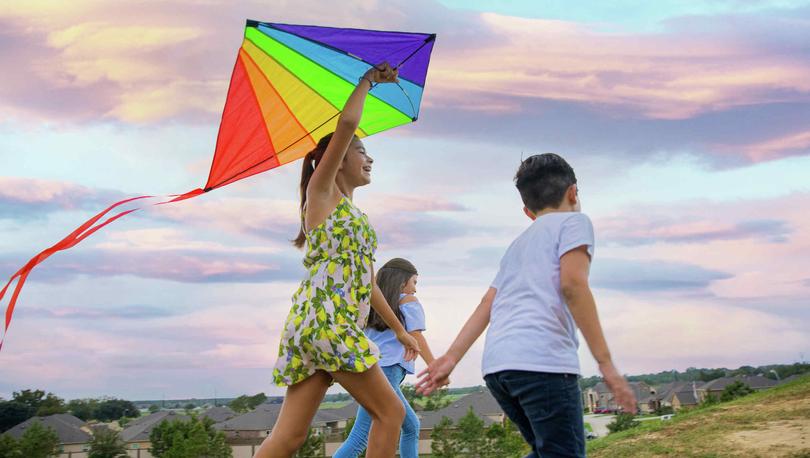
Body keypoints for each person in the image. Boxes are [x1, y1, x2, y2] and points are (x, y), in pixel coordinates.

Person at [416, 153, 637, 457]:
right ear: (573, 193)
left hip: (498, 368)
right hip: (542, 362)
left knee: (545, 450)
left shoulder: (517, 246)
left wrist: (452, 357)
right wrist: (606, 364)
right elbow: (573, 285)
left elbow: (487, 303)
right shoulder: (575, 222)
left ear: (527, 211)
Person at [255, 63, 420, 458]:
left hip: (314, 325)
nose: (370, 158)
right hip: (330, 324)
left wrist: (398, 330)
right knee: (391, 413)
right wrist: (368, 81)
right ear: (338, 157)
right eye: (362, 150)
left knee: (289, 438)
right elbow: (346, 123)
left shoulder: (353, 215)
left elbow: (366, 282)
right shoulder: (322, 193)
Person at [335, 258, 435, 458]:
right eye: (414, 282)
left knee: (411, 426)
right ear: (401, 282)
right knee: (360, 435)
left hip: (372, 369)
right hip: (387, 372)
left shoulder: (374, 306)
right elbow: (416, 335)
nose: (415, 289)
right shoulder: (409, 302)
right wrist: (434, 366)